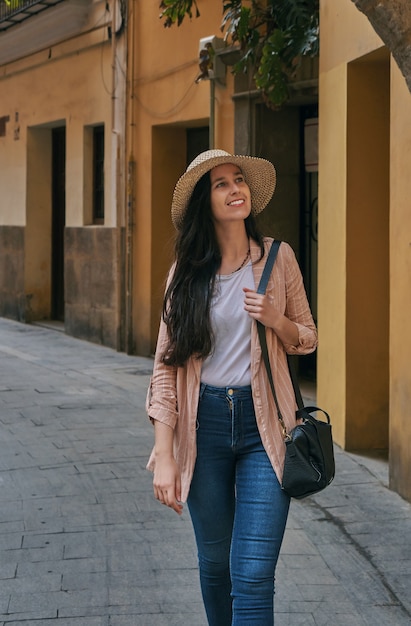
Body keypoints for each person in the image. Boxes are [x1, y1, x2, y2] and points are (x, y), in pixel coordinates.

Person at [146, 149, 317, 625]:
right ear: (206, 201)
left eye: (238, 179)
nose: (234, 189)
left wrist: (277, 320)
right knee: (216, 565)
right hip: (204, 429)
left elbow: (308, 337)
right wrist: (164, 453)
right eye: (220, 184)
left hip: (267, 429)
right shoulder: (185, 276)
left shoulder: (278, 259)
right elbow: (165, 368)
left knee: (254, 573)